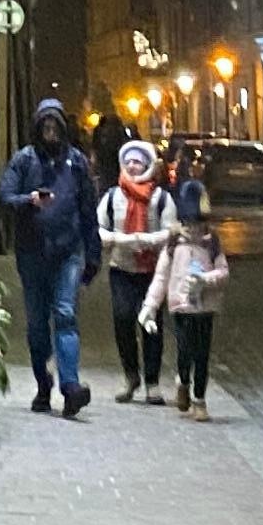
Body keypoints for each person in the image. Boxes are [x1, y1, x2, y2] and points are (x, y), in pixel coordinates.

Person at [0, 96, 99, 416]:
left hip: (67, 251)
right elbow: (6, 196)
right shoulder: (24, 160)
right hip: (32, 254)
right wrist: (29, 201)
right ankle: (43, 383)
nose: (51, 132)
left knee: (66, 314)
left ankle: (70, 386)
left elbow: (88, 209)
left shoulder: (76, 162)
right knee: (37, 325)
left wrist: (93, 253)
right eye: (46, 126)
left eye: (56, 126)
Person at [146, 178, 231, 416]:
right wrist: (150, 305)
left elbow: (223, 271)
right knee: (184, 350)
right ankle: (183, 381)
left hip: (205, 306)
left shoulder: (212, 243)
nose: (194, 228)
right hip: (181, 306)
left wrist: (207, 279)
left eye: (198, 223)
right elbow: (161, 276)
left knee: (202, 355)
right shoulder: (174, 244)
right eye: (190, 223)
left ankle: (199, 399)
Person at [98, 136, 174, 398]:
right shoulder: (112, 197)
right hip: (121, 268)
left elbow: (171, 232)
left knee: (151, 322)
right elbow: (99, 229)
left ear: (148, 165)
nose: (132, 166)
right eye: (128, 161)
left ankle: (152, 381)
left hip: (152, 271)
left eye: (138, 162)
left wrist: (146, 240)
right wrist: (119, 240)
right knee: (122, 319)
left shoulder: (161, 198)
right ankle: (130, 375)